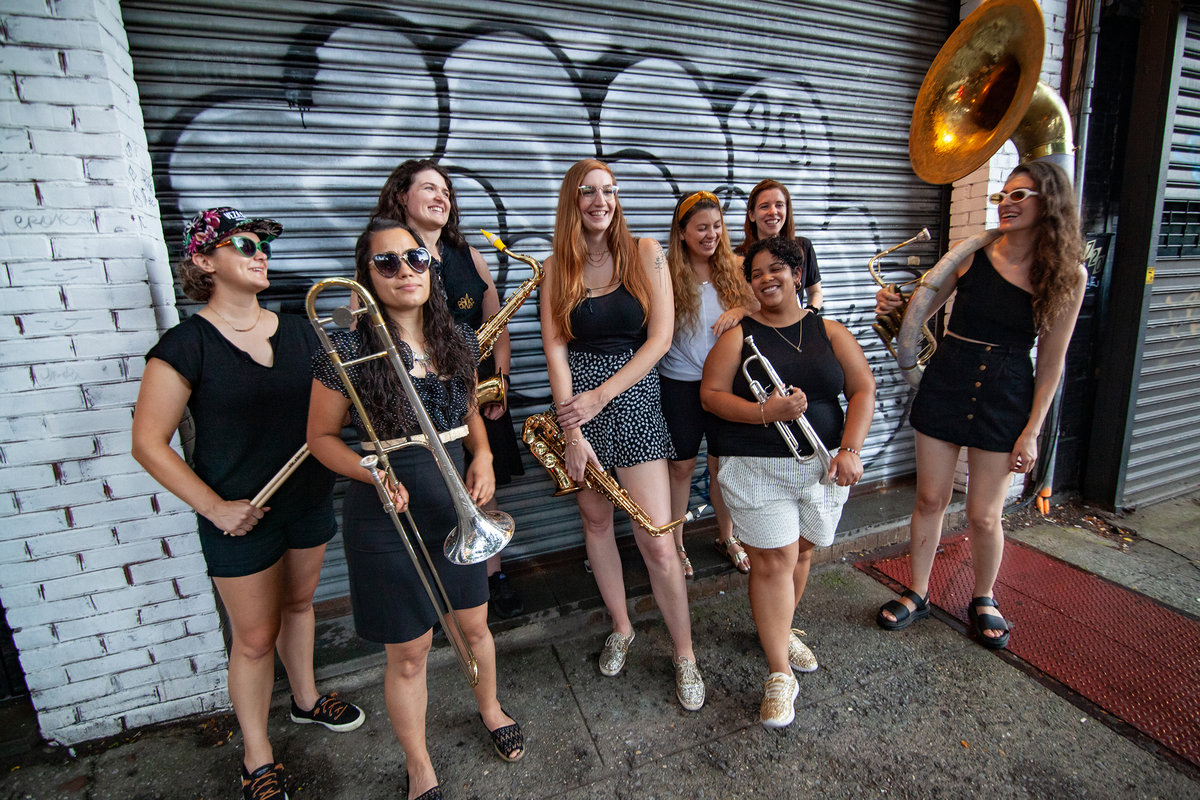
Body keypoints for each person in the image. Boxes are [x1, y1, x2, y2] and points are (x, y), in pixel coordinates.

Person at [132, 207, 365, 800]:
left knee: (301, 603)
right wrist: (214, 507)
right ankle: (256, 754)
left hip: (306, 499)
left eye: (262, 243)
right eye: (242, 244)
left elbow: (342, 342)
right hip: (238, 518)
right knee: (255, 637)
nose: (259, 251)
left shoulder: (299, 329)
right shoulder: (186, 346)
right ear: (205, 262)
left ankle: (307, 699)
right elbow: (148, 444)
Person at [307, 219, 523, 800]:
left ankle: (492, 709)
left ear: (431, 265)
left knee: (474, 626)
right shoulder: (346, 348)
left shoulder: (455, 335)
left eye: (415, 259)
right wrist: (369, 470)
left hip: (456, 498)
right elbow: (321, 438)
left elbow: (470, 411)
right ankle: (419, 765)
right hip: (386, 509)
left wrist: (481, 455)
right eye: (387, 263)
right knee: (409, 651)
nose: (405, 271)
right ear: (367, 276)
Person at [874, 162, 1086, 651]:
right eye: (1002, 196)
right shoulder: (970, 255)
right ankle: (919, 591)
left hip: (1007, 390)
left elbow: (1052, 364)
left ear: (1048, 203)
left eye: (1019, 195)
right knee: (930, 499)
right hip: (948, 379)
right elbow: (918, 313)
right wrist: (894, 304)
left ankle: (984, 596)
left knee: (985, 514)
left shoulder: (1065, 276)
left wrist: (1032, 430)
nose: (1007, 203)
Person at [540, 158, 705, 710]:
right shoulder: (554, 267)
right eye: (587, 191)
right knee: (596, 520)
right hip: (576, 408)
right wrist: (571, 427)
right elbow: (556, 349)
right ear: (572, 200)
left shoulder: (646, 251)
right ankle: (623, 627)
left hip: (630, 396)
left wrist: (602, 395)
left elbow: (658, 339)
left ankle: (684, 654)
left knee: (657, 539)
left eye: (608, 190)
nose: (599, 200)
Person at [701, 235, 874, 728]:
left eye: (776, 269)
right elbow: (711, 395)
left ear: (797, 274)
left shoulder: (830, 330)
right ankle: (779, 674)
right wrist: (766, 411)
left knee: (800, 553)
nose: (766, 278)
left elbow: (862, 389)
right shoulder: (739, 335)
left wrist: (852, 449)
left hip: (821, 466)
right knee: (773, 561)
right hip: (757, 465)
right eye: (756, 273)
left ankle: (778, 629)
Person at [370, 159, 526, 619]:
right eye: (429, 189)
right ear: (401, 197)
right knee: (429, 492)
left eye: (447, 192)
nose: (442, 198)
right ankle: (438, 588)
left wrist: (497, 384)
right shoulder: (389, 257)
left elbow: (495, 323)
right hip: (419, 397)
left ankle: (488, 575)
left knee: (482, 486)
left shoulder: (468, 254)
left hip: (476, 398)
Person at [660, 190, 755, 578]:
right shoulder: (664, 270)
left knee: (723, 465)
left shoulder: (736, 267)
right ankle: (677, 543)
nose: (711, 234)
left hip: (725, 384)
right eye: (701, 228)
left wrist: (740, 309)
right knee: (681, 467)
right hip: (679, 383)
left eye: (716, 226)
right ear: (682, 233)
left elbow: (765, 307)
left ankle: (726, 535)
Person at [736, 178, 823, 312]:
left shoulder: (803, 247)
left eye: (779, 205)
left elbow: (815, 292)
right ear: (752, 215)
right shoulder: (738, 257)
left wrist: (810, 312)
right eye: (764, 206)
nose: (773, 211)